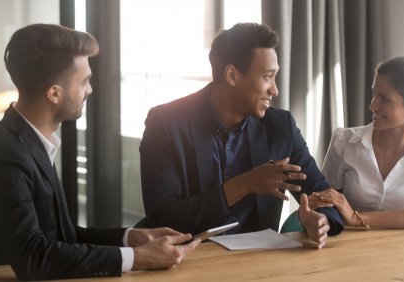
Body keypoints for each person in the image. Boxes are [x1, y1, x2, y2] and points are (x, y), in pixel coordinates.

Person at [0, 24, 199, 280]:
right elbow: (33, 257)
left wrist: (132, 238)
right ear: (54, 93)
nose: (90, 90)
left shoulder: (30, 140)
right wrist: (140, 258)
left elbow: (62, 237)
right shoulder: (4, 154)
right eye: (84, 81)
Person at [137, 22, 344, 248]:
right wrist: (244, 185)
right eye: (267, 77)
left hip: (257, 263)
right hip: (187, 260)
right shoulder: (165, 124)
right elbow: (161, 219)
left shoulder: (280, 127)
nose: (274, 90)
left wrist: (321, 219)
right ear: (232, 75)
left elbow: (325, 196)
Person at [313, 56, 404, 229]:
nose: (372, 106)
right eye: (374, 94)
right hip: (348, 249)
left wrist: (356, 217)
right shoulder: (344, 141)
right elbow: (323, 204)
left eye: (385, 99)